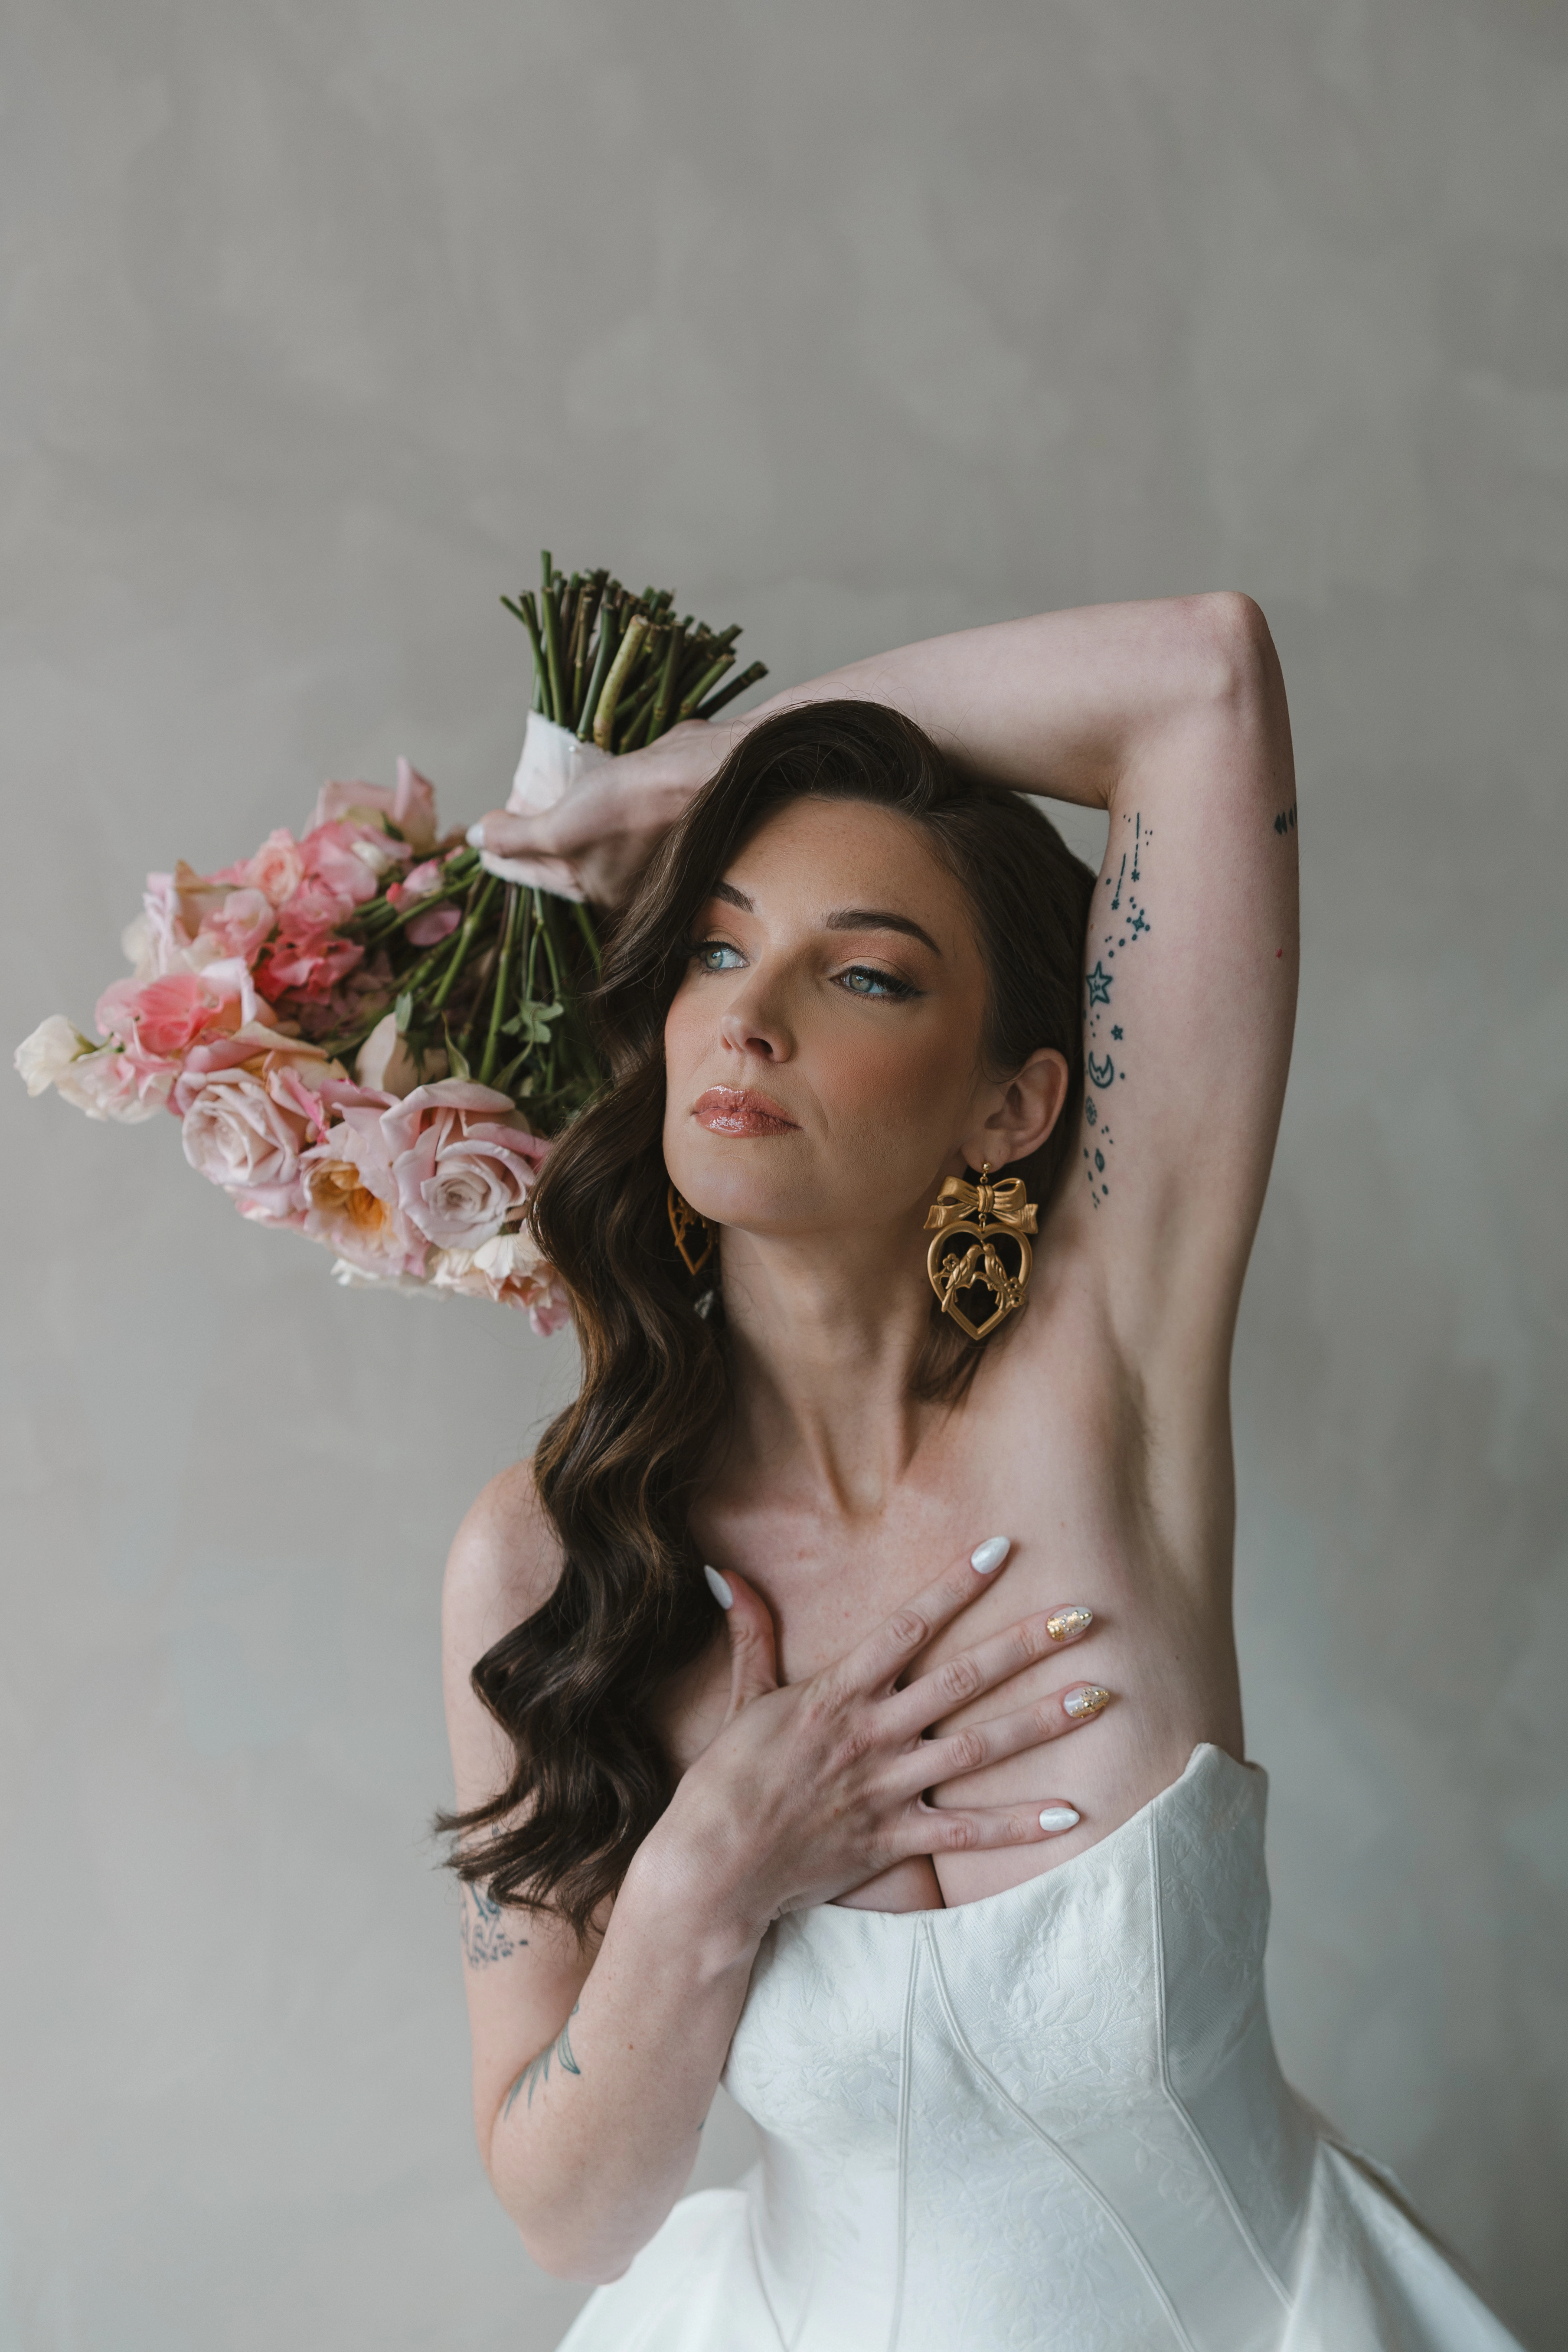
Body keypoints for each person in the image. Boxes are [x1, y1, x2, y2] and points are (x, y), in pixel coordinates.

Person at [447, 598, 1521, 2349]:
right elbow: (570, 2216)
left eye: (860, 971)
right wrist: (705, 1883)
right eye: (717, 950)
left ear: (1014, 1108)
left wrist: (707, 769)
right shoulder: (549, 1556)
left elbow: (1201, 678)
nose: (754, 1016)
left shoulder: (1110, 1374)